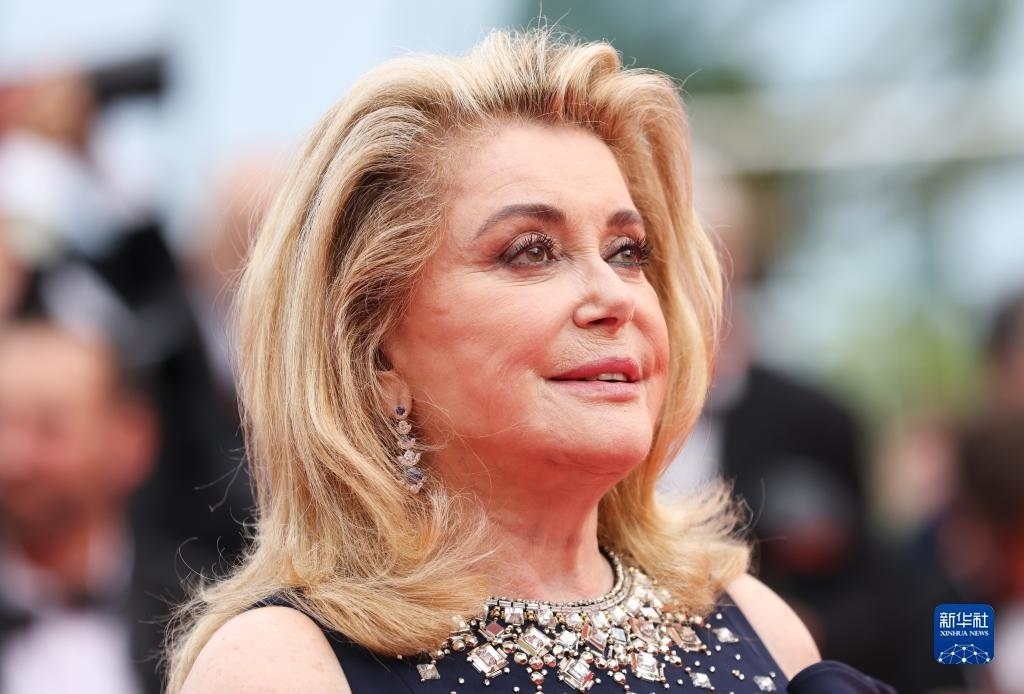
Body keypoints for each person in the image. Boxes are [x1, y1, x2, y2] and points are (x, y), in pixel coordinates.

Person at [168, 29, 894, 693]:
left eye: (627, 251)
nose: (614, 297)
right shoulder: (281, 666)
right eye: (531, 251)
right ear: (374, 347)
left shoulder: (756, 624)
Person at [0, 319, 160, 693]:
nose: (16, 457)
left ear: (131, 439)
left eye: (49, 428)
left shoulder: (198, 607)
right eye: (3, 426)